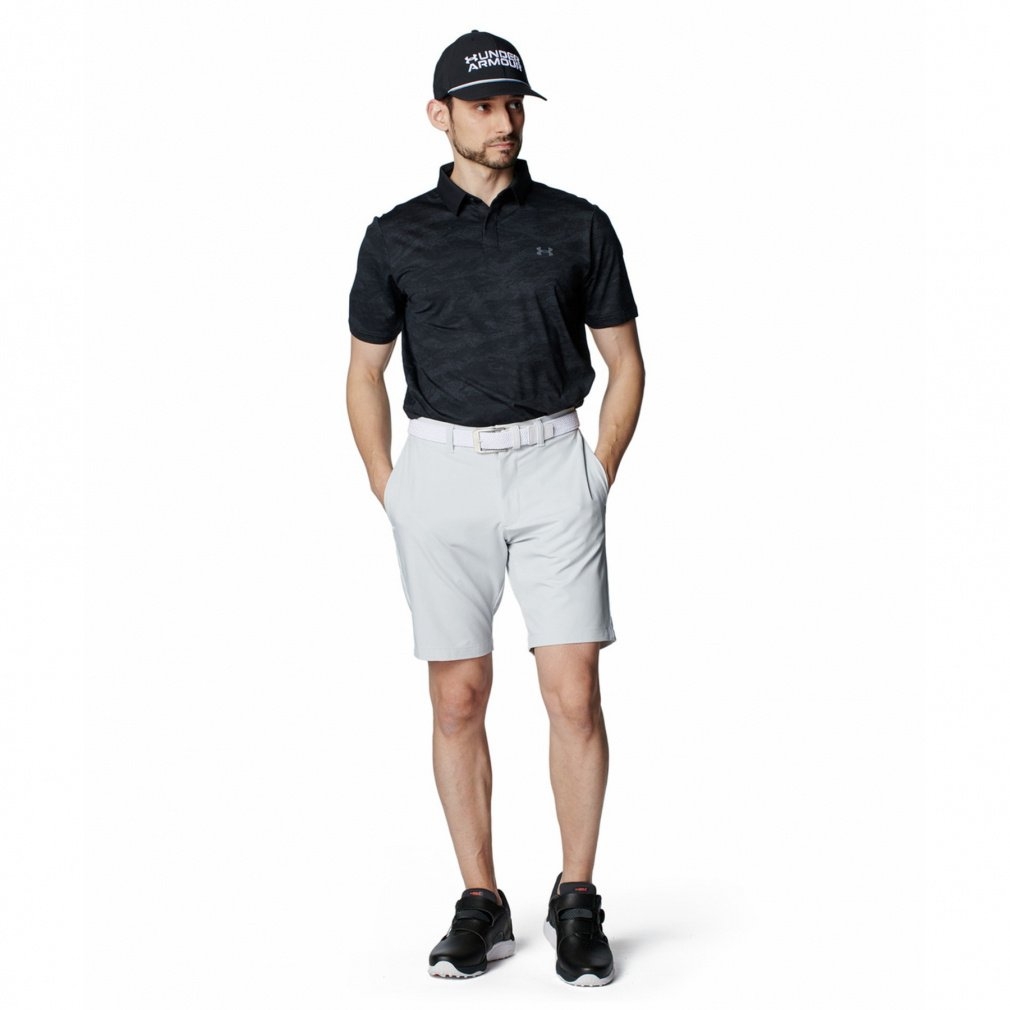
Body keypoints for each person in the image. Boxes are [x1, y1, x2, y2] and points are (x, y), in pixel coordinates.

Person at [346, 29, 644, 987]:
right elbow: (363, 373)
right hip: (441, 473)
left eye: (514, 104)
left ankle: (577, 897)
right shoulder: (396, 235)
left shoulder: (579, 223)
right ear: (441, 115)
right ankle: (482, 899)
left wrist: (595, 473)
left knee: (574, 694)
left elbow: (626, 363)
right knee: (457, 697)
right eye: (482, 106)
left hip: (554, 465)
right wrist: (391, 487)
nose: (504, 121)